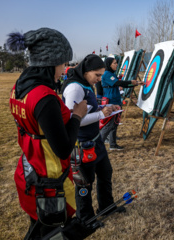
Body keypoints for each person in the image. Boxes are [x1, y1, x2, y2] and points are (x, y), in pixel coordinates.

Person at [7, 27, 97, 240]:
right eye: (63, 63)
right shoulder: (44, 97)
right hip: (48, 182)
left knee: (40, 229)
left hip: (31, 171)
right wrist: (77, 115)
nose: (65, 69)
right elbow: (63, 148)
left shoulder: (20, 87)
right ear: (50, 62)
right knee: (53, 234)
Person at [61, 54, 125, 225]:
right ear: (86, 71)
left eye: (101, 75)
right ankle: (86, 218)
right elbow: (72, 119)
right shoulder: (75, 88)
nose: (99, 79)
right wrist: (100, 114)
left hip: (94, 140)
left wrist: (106, 108)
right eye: (97, 75)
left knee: (105, 173)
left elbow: (88, 108)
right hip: (82, 145)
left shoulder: (85, 83)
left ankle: (106, 206)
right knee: (84, 183)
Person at [100, 57, 144, 150]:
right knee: (109, 125)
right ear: (109, 64)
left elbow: (121, 83)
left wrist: (136, 83)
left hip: (116, 101)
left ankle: (113, 144)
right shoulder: (107, 74)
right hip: (111, 102)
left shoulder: (112, 74)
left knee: (115, 123)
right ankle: (97, 146)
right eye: (114, 63)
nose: (116, 65)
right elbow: (118, 83)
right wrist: (132, 82)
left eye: (116, 63)